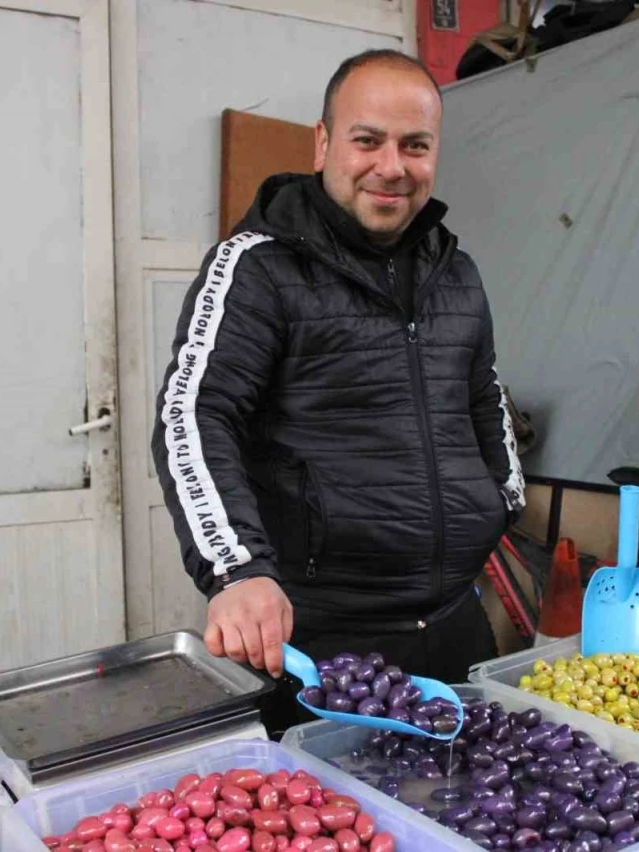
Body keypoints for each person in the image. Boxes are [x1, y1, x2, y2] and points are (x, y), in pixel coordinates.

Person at [151, 49, 525, 736]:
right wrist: (237, 571)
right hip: (320, 648)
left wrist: (499, 499)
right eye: (368, 140)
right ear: (323, 143)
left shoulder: (458, 273)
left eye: (415, 145)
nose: (392, 166)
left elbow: (484, 398)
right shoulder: (259, 267)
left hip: (455, 628)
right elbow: (194, 415)